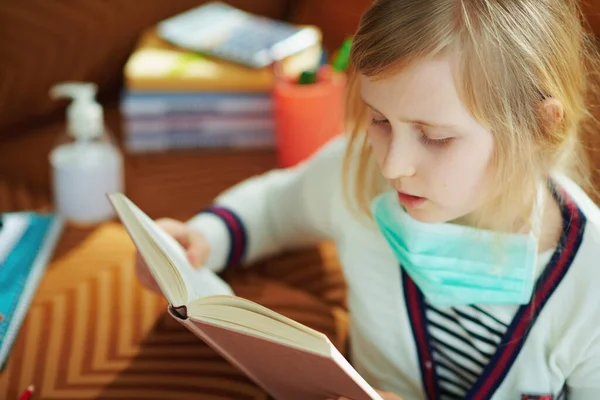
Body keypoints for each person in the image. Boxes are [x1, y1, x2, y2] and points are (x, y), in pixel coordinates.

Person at [135, 0, 600, 398]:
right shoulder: (356, 177)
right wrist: (199, 240)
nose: (393, 165)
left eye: (435, 137)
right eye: (380, 121)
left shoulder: (590, 287)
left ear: (540, 127)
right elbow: (275, 207)